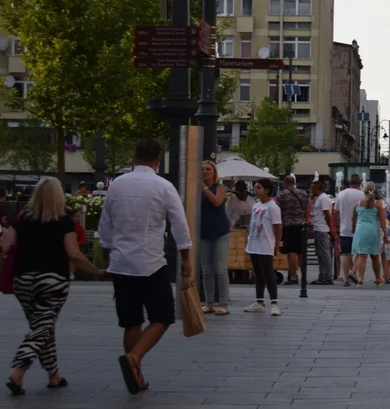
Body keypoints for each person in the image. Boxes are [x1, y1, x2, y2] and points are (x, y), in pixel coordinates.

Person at [98, 138, 193, 395]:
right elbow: (179, 225)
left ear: (134, 156)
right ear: (158, 160)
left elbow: (105, 224)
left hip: (121, 262)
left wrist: (106, 255)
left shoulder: (116, 185)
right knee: (162, 316)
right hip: (150, 261)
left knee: (131, 321)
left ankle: (136, 373)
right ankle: (135, 358)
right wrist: (186, 258)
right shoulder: (163, 186)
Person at [4, 178, 104, 395]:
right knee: (42, 328)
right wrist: (96, 271)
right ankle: (18, 372)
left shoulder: (22, 219)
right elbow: (74, 254)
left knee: (42, 327)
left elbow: (6, 246)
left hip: (22, 280)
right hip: (52, 281)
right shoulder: (63, 222)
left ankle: (54, 376)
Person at [245, 179, 283, 316]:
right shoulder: (256, 206)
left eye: (258, 187)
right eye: (255, 187)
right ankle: (259, 302)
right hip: (254, 243)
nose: (256, 190)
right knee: (258, 273)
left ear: (267, 190)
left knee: (268, 274)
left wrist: (277, 244)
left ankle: (274, 303)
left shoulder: (273, 207)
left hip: (266, 244)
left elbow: (278, 227)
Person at [199, 161, 231, 315]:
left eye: (208, 169)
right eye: (202, 169)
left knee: (220, 268)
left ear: (214, 172)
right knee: (206, 270)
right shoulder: (196, 190)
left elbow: (217, 202)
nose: (205, 171)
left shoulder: (219, 187)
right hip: (203, 232)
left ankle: (224, 303)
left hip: (220, 232)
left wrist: (204, 188)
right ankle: (209, 302)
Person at [351, 182, 387, 285]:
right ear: (374, 190)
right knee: (375, 256)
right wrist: (385, 233)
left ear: (364, 190)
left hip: (361, 229)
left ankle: (360, 279)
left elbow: (354, 217)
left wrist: (353, 228)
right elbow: (382, 220)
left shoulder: (358, 203)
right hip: (373, 231)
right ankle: (378, 278)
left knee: (362, 255)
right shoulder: (378, 204)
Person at [276, 175, 309, 285]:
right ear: (294, 182)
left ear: (285, 183)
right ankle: (304, 275)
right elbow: (308, 207)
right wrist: (306, 220)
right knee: (301, 251)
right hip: (301, 225)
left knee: (291, 252)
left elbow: (276, 210)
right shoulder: (303, 193)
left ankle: (294, 276)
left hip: (288, 226)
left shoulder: (281, 195)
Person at [335, 175, 365, 286]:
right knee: (360, 253)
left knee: (345, 254)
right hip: (359, 228)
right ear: (359, 183)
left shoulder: (341, 194)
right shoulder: (362, 195)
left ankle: (346, 278)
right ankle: (354, 271)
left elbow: (335, 212)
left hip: (344, 228)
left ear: (349, 182)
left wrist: (337, 228)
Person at [307, 180, 334, 285]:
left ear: (317, 188)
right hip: (319, 228)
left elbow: (327, 214)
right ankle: (323, 275)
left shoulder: (323, 198)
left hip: (322, 229)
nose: (311, 189)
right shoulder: (321, 198)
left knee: (324, 254)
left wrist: (330, 229)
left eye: (312, 188)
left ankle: (327, 276)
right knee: (321, 254)